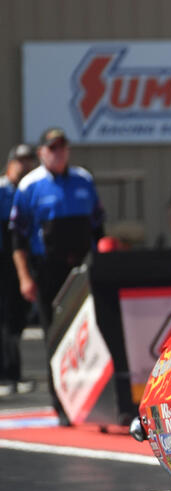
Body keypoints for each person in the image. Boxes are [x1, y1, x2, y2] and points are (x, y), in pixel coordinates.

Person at [10, 127, 105, 424]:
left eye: (63, 147)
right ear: (42, 153)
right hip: (47, 269)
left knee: (88, 331)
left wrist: (101, 261)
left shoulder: (83, 180)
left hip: (81, 268)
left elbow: (99, 225)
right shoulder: (30, 186)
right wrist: (25, 277)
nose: (59, 152)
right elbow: (18, 239)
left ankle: (91, 396)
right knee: (54, 335)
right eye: (52, 148)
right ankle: (59, 401)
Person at [0, 143, 38, 396]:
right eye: (20, 160)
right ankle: (6, 375)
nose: (24, 166)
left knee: (16, 318)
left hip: (20, 261)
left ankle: (13, 373)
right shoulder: (2, 188)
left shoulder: (27, 189)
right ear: (10, 162)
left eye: (28, 161)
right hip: (2, 259)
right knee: (3, 319)